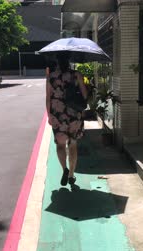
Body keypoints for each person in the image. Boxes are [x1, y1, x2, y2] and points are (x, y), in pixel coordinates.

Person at [46, 52, 88, 186]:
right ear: (69, 60)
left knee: (60, 145)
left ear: (57, 61)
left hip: (57, 114)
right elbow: (84, 95)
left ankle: (64, 169)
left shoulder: (51, 77)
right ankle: (71, 175)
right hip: (74, 113)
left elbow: (48, 98)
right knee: (73, 144)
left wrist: (49, 115)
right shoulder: (76, 75)